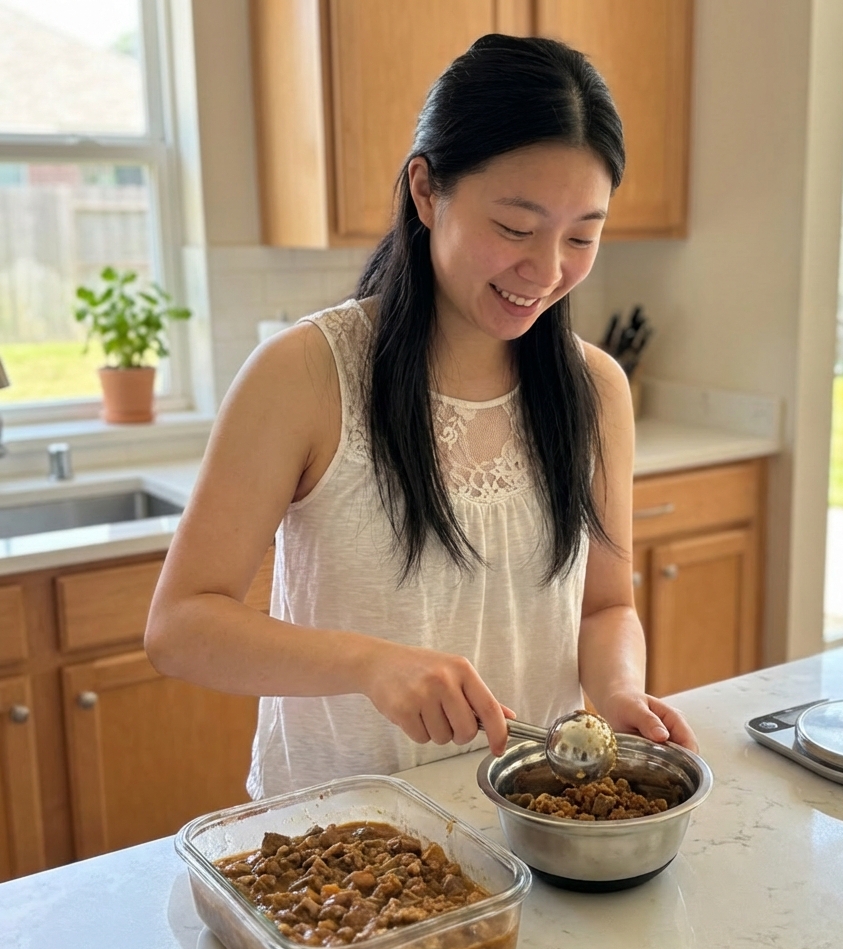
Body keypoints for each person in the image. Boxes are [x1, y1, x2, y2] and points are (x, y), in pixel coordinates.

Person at [145, 34, 698, 800]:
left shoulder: (595, 388)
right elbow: (180, 628)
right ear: (427, 190)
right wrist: (371, 664)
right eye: (515, 227)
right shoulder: (307, 373)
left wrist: (619, 693)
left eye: (582, 235)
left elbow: (606, 606)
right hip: (339, 840)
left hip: (532, 818)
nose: (545, 272)